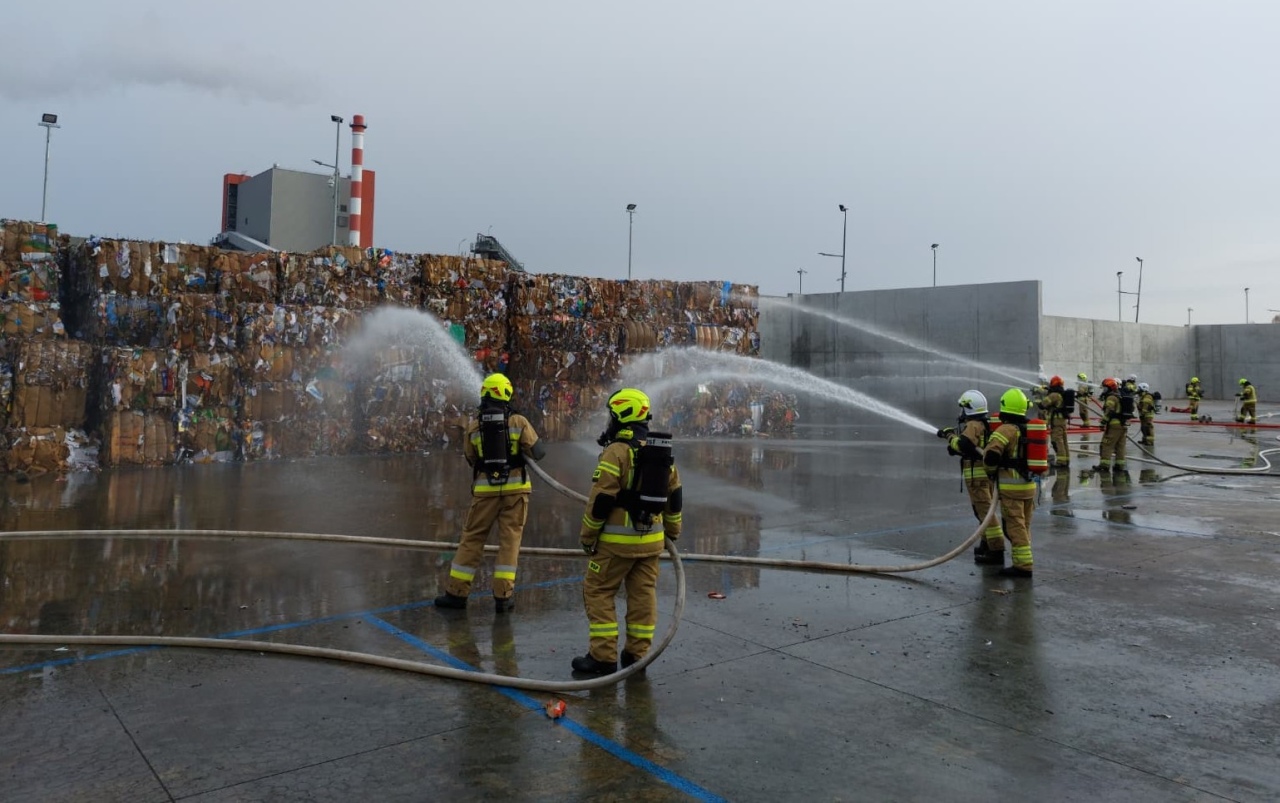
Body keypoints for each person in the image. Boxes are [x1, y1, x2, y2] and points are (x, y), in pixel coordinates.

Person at [572, 388, 683, 676]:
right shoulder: (660, 453)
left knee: (598, 591)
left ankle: (603, 657)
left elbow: (601, 500)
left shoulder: (617, 452)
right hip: (652, 543)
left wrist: (587, 537)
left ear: (622, 415)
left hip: (616, 545)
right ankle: (637, 656)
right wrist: (672, 532)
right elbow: (675, 497)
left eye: (612, 415)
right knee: (643, 596)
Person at [435, 373, 546, 613]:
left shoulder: (474, 426)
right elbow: (538, 452)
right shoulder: (518, 422)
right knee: (510, 542)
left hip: (485, 493)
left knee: (472, 539)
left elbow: (471, 458)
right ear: (506, 394)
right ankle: (503, 597)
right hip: (516, 493)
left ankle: (456, 594)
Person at [936, 390, 1005, 565]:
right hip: (984, 475)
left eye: (963, 408)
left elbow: (964, 444)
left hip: (977, 476)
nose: (961, 412)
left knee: (985, 512)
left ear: (969, 408)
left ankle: (996, 550)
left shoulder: (973, 424)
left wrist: (949, 436)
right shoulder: (983, 423)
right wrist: (955, 447)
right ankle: (986, 543)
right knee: (981, 511)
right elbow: (969, 448)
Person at [983, 388, 1037, 578]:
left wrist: (991, 473)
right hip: (1029, 486)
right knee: (1024, 525)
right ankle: (1022, 559)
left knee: (1014, 526)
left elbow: (990, 456)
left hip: (1012, 488)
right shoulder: (1030, 428)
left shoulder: (1005, 429)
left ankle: (1023, 566)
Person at [1097, 377, 1129, 472]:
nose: (1103, 390)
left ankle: (1104, 465)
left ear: (1109, 388)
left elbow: (1109, 411)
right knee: (1120, 446)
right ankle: (1120, 466)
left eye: (1104, 388)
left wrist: (1103, 422)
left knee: (1107, 444)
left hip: (1114, 426)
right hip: (1123, 425)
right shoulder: (1119, 396)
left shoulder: (1111, 397)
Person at [1044, 376, 1070, 467]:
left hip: (1056, 422)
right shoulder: (1061, 393)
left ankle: (1061, 462)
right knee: (1063, 441)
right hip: (1062, 421)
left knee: (1057, 441)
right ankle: (1066, 460)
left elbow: (1042, 404)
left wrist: (1040, 393)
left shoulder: (1054, 395)